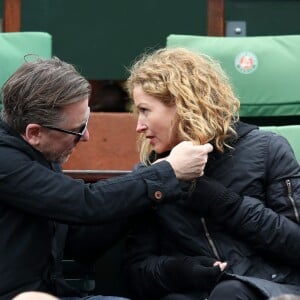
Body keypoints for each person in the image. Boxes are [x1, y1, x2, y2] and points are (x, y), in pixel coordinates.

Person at [0, 56, 213, 300]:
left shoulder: (42, 155)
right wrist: (166, 173)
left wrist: (148, 188)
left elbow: (81, 243)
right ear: (34, 133)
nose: (87, 136)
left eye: (87, 121)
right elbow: (84, 204)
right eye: (78, 129)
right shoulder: (5, 159)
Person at [122, 47, 300, 300]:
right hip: (199, 292)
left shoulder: (267, 149)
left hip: (275, 289)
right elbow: (136, 272)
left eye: (145, 110)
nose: (139, 126)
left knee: (230, 292)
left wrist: (228, 205)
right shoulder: (152, 175)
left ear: (182, 106)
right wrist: (180, 270)